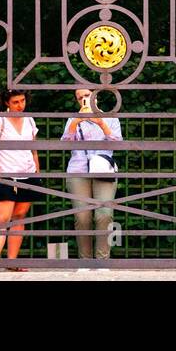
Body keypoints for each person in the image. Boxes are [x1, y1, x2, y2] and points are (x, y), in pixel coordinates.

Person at [62, 87, 123, 260]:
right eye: (80, 97)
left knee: (104, 214)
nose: (84, 99)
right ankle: (85, 262)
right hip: (78, 170)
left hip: (103, 170)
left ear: (95, 97)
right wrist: (76, 121)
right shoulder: (73, 119)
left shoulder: (110, 117)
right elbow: (64, 143)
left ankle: (102, 261)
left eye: (87, 95)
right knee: (82, 217)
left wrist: (101, 123)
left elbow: (119, 143)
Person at [0, 88, 39, 269]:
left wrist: (37, 172)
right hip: (6, 174)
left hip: (27, 173)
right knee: (2, 219)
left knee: (19, 217)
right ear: (7, 103)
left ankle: (12, 262)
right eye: (15, 102)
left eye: (22, 101)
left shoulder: (29, 119)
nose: (20, 105)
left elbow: (33, 148)